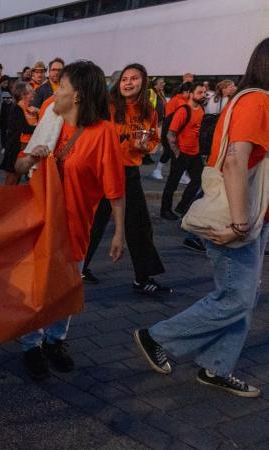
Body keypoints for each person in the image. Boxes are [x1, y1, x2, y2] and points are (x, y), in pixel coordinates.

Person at [135, 38, 269, 398]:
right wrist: (240, 223)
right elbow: (236, 160)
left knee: (241, 297)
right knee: (236, 298)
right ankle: (157, 336)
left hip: (254, 216)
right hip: (239, 216)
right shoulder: (256, 100)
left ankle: (217, 366)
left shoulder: (256, 99)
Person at [15, 61, 125, 381]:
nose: (55, 91)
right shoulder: (52, 118)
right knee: (38, 286)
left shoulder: (103, 133)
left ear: (76, 95)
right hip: (41, 219)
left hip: (77, 224)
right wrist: (29, 160)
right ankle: (31, 345)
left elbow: (115, 188)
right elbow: (25, 164)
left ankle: (55, 340)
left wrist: (119, 232)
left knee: (66, 288)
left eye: (61, 86)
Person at [81, 63, 170, 296]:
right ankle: (78, 267)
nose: (128, 83)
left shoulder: (148, 111)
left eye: (134, 79)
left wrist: (144, 147)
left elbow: (152, 139)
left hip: (129, 173)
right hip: (102, 171)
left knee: (139, 225)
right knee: (94, 223)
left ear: (144, 82)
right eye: (124, 79)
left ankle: (143, 278)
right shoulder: (106, 106)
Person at [160, 82, 206, 220]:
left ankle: (182, 207)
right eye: (200, 92)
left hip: (195, 153)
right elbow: (170, 134)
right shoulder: (183, 111)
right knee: (172, 183)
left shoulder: (201, 110)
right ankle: (165, 210)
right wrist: (176, 152)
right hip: (182, 152)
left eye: (204, 92)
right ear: (191, 94)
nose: (203, 95)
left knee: (198, 180)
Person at [0, 81, 36, 185]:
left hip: (24, 148)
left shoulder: (28, 109)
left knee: (17, 178)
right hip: (15, 149)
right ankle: (6, 200)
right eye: (29, 92)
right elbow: (24, 128)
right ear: (22, 95)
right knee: (12, 180)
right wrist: (40, 127)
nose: (32, 94)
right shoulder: (17, 109)